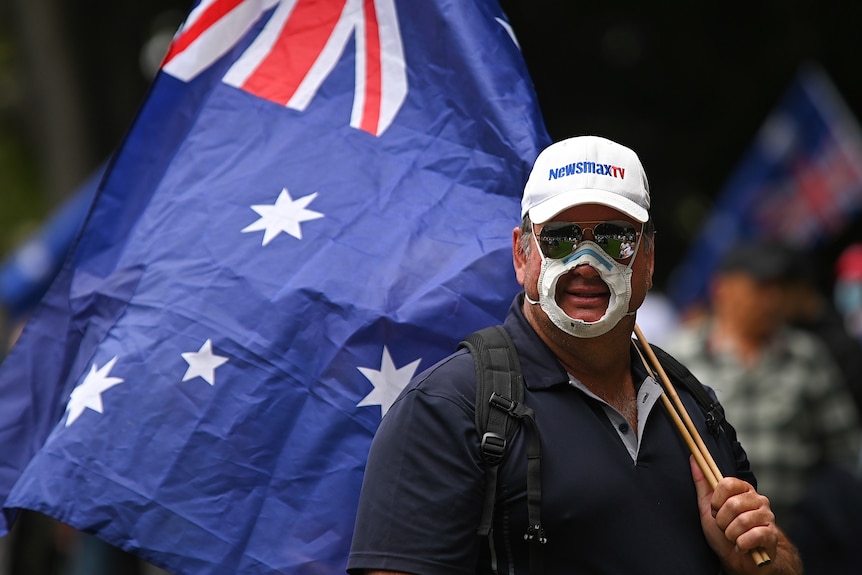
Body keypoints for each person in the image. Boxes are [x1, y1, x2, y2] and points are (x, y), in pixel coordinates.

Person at [348, 135, 803, 574]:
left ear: (646, 260)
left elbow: (776, 561)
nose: (586, 262)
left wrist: (757, 563)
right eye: (561, 238)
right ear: (522, 254)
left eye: (614, 238)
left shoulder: (693, 407)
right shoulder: (448, 410)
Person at [663, 241, 861, 529]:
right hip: (705, 530)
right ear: (723, 290)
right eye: (760, 287)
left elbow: (843, 451)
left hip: (794, 531)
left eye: (777, 289)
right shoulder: (678, 356)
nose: (772, 300)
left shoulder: (807, 356)